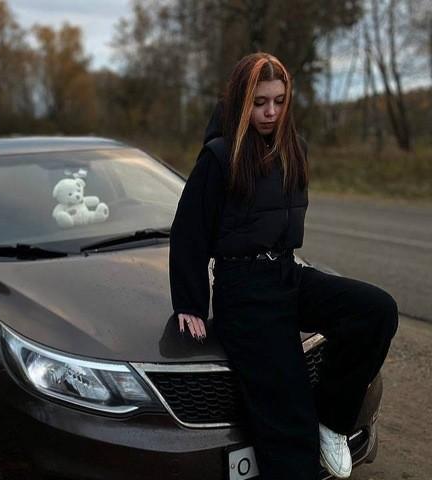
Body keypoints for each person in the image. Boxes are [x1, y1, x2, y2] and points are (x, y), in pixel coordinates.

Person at [168, 52, 399, 480]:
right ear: (242, 102)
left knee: (376, 310)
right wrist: (190, 302)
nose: (270, 112)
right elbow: (189, 231)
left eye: (278, 101)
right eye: (259, 103)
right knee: (290, 431)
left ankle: (331, 420)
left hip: (286, 275)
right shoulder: (219, 157)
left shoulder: (295, 149)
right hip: (244, 292)